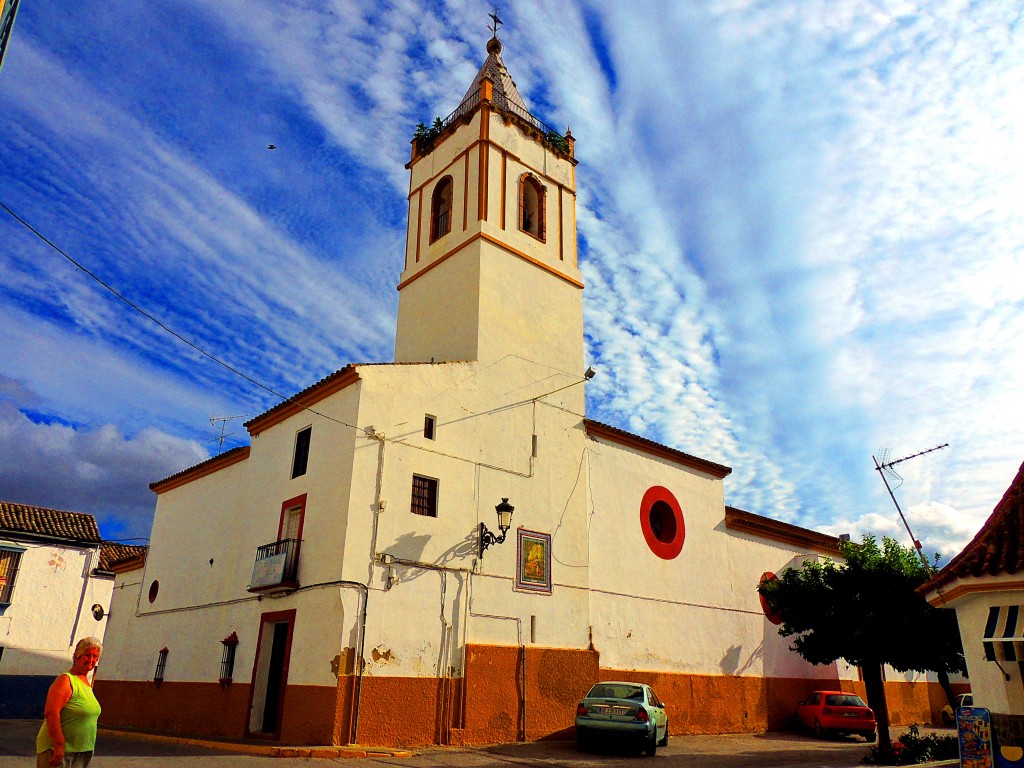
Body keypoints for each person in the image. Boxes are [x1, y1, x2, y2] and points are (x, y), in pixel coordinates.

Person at [36, 637, 102, 768]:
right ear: (77, 656)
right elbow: (51, 713)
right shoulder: (66, 680)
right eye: (87, 655)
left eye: (95, 656)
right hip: (59, 751)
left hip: (81, 751)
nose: (91, 660)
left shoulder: (85, 682)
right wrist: (59, 745)